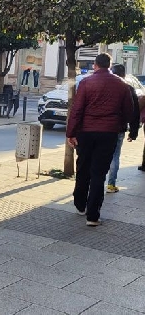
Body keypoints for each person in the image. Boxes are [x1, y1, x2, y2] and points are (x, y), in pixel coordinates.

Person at [66, 53, 134, 227]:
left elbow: (77, 110)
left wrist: (71, 133)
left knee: (83, 168)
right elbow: (128, 111)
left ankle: (80, 205)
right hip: (108, 133)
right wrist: (120, 126)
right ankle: (93, 216)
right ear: (109, 66)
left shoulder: (86, 83)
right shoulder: (122, 85)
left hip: (86, 132)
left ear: (95, 65)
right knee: (99, 174)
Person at [106, 64, 139, 193]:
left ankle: (97, 181)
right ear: (124, 75)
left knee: (101, 155)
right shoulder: (128, 88)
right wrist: (133, 132)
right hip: (119, 128)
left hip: (103, 127)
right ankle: (111, 184)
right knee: (115, 156)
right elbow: (134, 112)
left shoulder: (105, 86)